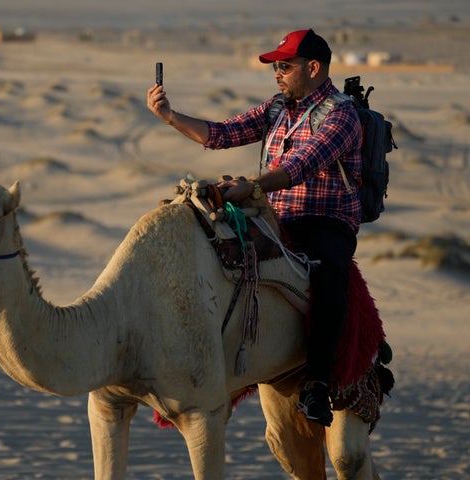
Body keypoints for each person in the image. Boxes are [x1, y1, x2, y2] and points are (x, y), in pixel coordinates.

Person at [146, 28, 362, 427]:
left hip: (323, 222)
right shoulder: (278, 108)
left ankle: (317, 384)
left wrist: (252, 186)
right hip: (273, 217)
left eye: (284, 66)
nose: (276, 73)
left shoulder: (341, 113)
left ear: (313, 68)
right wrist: (170, 116)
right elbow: (224, 134)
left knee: (330, 276)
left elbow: (302, 165)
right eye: (274, 67)